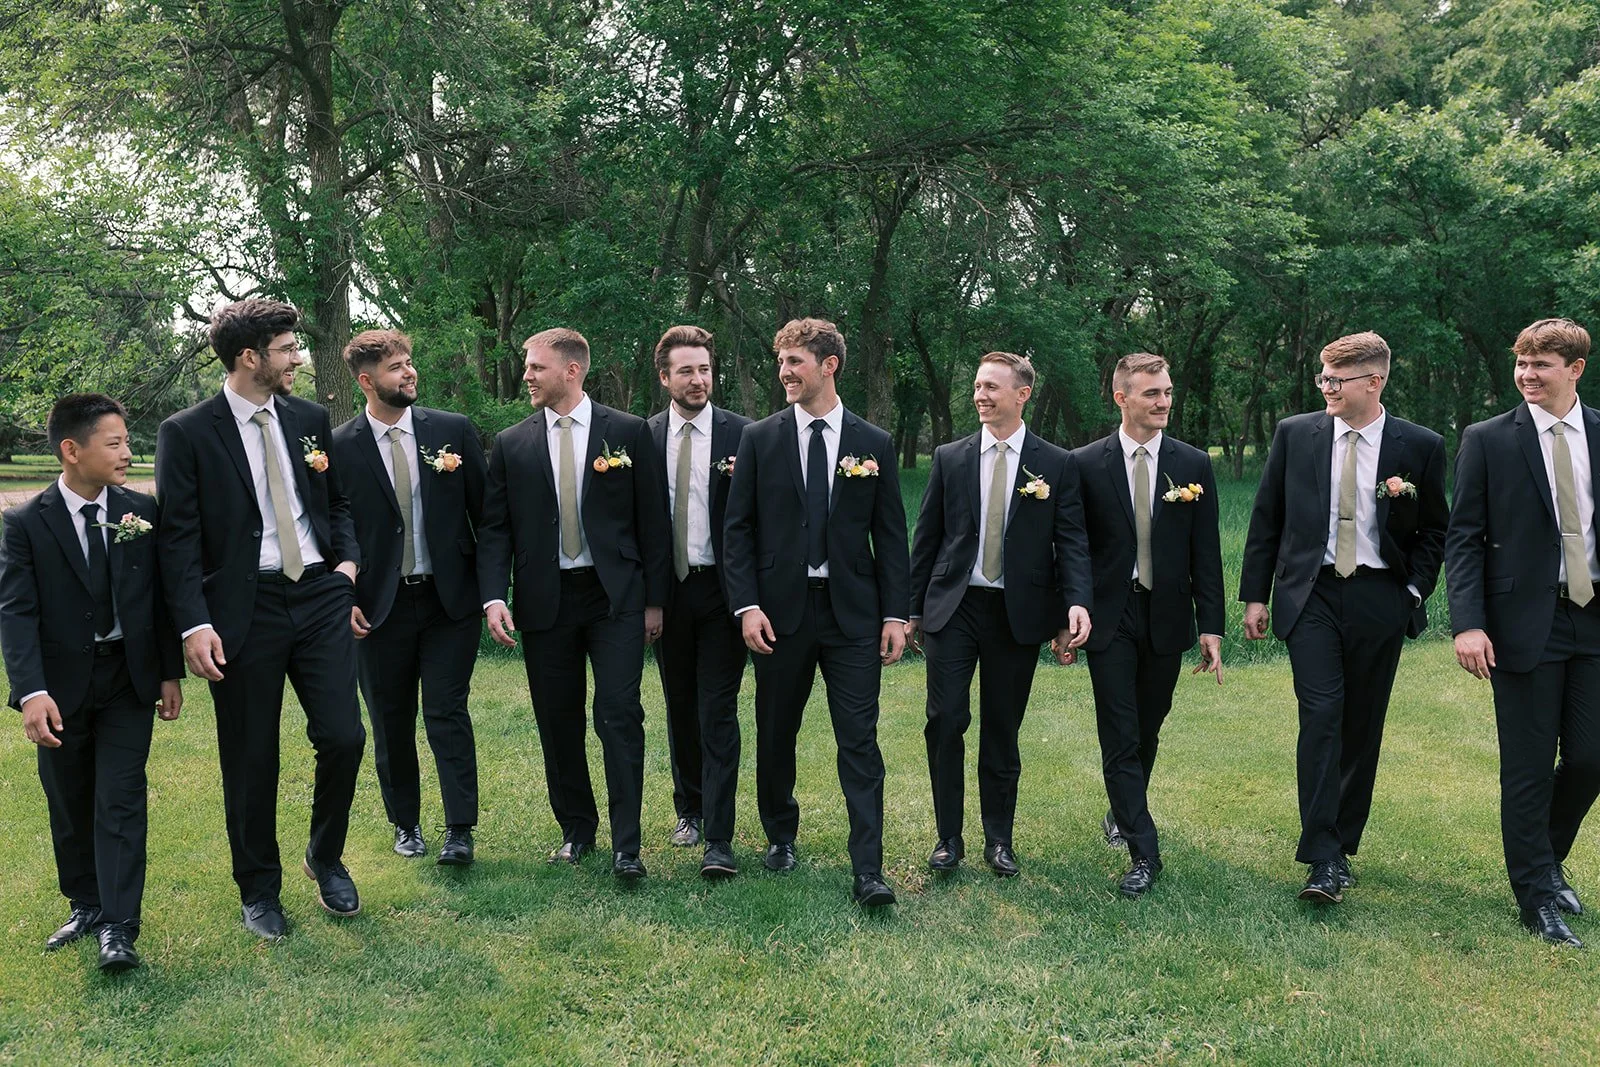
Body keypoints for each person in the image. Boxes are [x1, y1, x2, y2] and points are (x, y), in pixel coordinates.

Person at [156, 299, 366, 939]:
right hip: (242, 611)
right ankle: (258, 890)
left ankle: (324, 858)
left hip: (319, 596)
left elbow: (336, 502)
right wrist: (194, 624)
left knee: (345, 737)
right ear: (250, 359)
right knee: (251, 756)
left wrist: (347, 566)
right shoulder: (187, 432)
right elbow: (177, 539)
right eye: (286, 350)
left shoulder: (308, 417)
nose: (298, 358)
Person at [1240, 331, 1447, 904]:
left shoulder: (1420, 445)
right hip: (1312, 595)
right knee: (1323, 714)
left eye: (1337, 379)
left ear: (1374, 382)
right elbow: (1267, 518)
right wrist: (1255, 596)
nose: (1326, 387)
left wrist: (1411, 591)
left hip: (1381, 595)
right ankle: (1322, 857)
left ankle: (1342, 843)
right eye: (1323, 378)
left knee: (1362, 725)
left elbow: (1435, 529)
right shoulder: (1296, 434)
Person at [722, 318, 910, 906]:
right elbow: (739, 530)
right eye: (780, 362)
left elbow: (892, 538)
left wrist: (895, 616)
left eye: (795, 362)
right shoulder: (760, 438)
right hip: (779, 612)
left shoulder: (872, 443)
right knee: (777, 732)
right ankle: (780, 835)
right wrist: (747, 606)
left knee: (860, 739)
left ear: (828, 365)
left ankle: (868, 869)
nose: (784, 372)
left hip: (853, 615)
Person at [0, 394, 184, 972]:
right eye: (116, 443)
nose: (129, 452)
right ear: (72, 451)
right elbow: (16, 612)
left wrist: (168, 671)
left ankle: (120, 928)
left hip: (129, 680)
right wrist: (31, 692)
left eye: (129, 441)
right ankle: (86, 904)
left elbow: (158, 599)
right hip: (57, 687)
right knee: (70, 798)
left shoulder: (141, 512)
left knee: (120, 799)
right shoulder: (26, 523)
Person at [478, 328, 669, 880]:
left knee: (618, 714)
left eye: (537, 367)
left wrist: (654, 602)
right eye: (527, 366)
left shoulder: (628, 433)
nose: (527, 376)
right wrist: (494, 596)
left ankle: (627, 845)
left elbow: (653, 522)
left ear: (572, 370)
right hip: (545, 601)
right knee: (557, 720)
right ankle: (577, 830)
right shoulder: (512, 443)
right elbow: (495, 529)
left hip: (616, 600)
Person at [906, 351, 1090, 879]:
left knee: (1002, 728)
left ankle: (999, 840)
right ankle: (948, 839)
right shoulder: (950, 456)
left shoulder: (1056, 463)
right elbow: (928, 537)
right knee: (945, 720)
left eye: (992, 387)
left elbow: (1070, 544)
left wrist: (1070, 610)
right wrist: (912, 610)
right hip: (954, 606)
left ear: (1021, 395)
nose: (981, 395)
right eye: (978, 386)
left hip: (1018, 612)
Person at [1447, 317, 1600, 947]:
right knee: (1529, 766)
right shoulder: (1488, 439)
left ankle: (1544, 858)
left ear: (1575, 369)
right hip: (1520, 624)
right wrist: (1469, 623)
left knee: (1591, 757)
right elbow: (1464, 539)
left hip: (1593, 618)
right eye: (1521, 362)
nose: (1527, 374)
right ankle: (1536, 894)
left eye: (1541, 364)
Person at [331, 330, 486, 866]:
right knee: (390, 717)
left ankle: (459, 829)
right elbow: (333, 526)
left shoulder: (453, 431)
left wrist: (490, 594)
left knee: (447, 711)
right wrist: (342, 595)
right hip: (377, 606)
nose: (409, 373)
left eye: (410, 362)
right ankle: (407, 824)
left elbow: (486, 517)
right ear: (367, 381)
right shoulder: (337, 447)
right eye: (397, 367)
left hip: (449, 603)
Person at [1073, 353, 1224, 896]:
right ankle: (1144, 851)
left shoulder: (1193, 464)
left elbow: (1206, 552)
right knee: (1118, 732)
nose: (1163, 402)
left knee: (1147, 726)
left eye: (1166, 392)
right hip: (1108, 616)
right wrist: (1067, 611)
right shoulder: (1085, 463)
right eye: (1151, 394)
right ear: (1121, 398)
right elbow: (1073, 547)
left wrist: (1212, 627)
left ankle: (1121, 811)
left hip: (1166, 616)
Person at [644, 326, 751, 875]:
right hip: (669, 594)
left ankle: (720, 835)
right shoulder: (644, 435)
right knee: (679, 704)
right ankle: (689, 807)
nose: (698, 379)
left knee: (718, 709)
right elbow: (641, 525)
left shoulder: (744, 436)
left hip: (724, 593)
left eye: (705, 369)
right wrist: (649, 599)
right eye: (686, 370)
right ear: (665, 377)